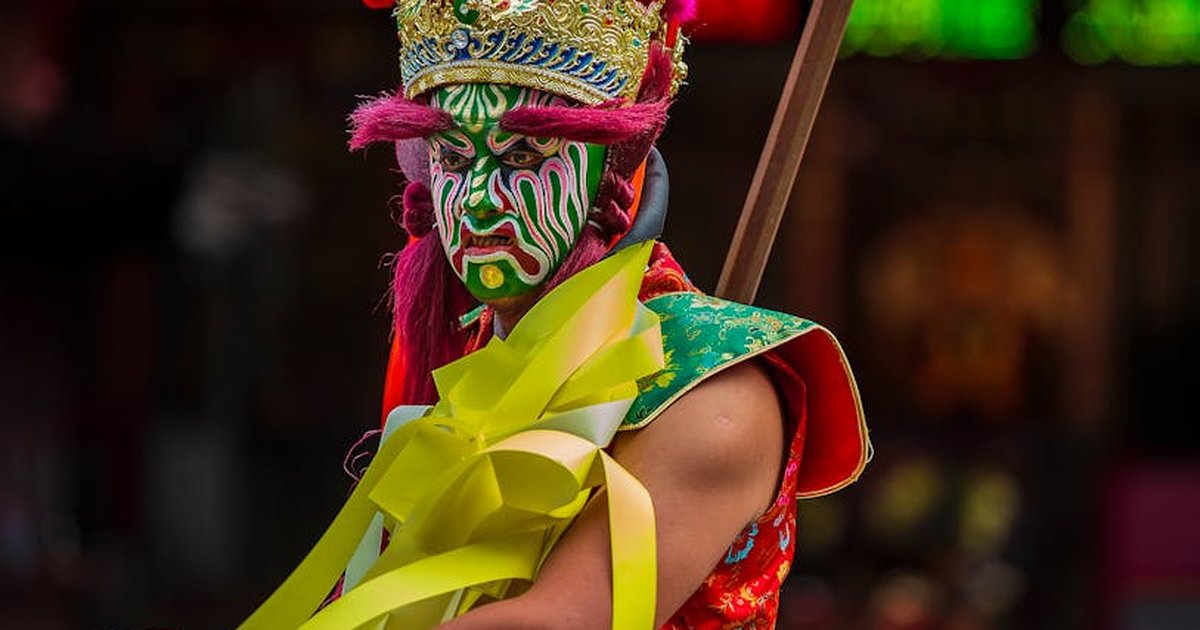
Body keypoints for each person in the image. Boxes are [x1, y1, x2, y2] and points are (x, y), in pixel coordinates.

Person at [239, 1, 869, 628]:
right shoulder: (474, 360)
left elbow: (565, 618)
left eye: (523, 156)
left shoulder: (715, 390)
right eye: (455, 160)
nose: (480, 202)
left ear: (610, 168)